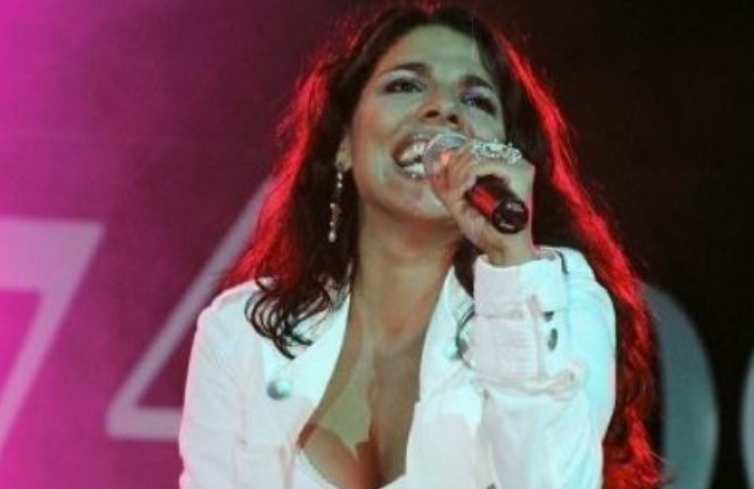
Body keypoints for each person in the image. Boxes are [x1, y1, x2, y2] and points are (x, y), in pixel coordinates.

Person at [178, 2, 663, 488]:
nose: (443, 109)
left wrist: (510, 265)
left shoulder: (555, 298)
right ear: (344, 144)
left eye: (476, 100)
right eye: (405, 86)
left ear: (507, 153)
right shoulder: (241, 333)